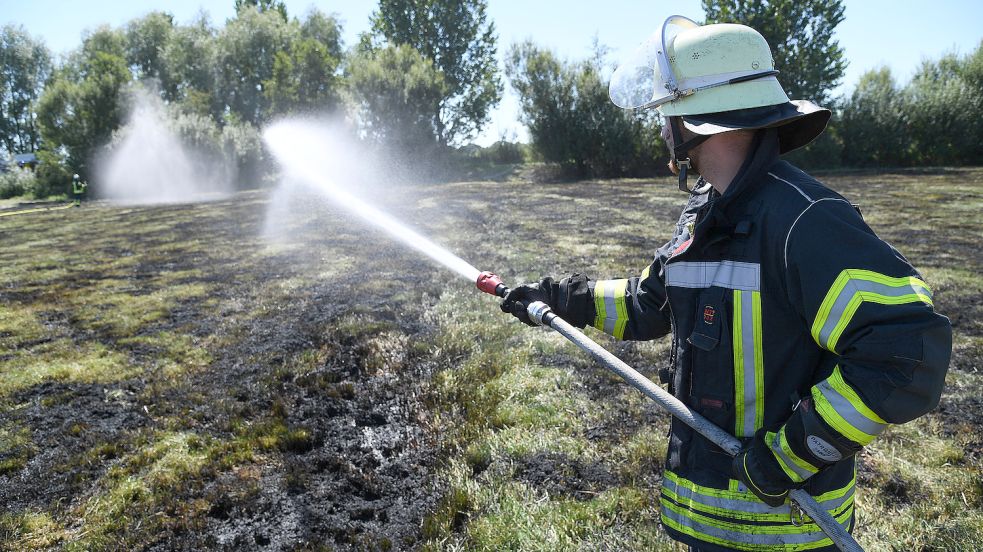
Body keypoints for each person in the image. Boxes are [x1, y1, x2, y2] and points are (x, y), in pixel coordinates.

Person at [500, 16, 951, 551]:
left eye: (668, 112)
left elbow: (904, 354)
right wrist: (558, 299)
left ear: (698, 115)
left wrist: (789, 455)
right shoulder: (705, 216)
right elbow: (649, 305)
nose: (662, 126)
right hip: (706, 525)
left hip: (790, 534)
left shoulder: (805, 221)